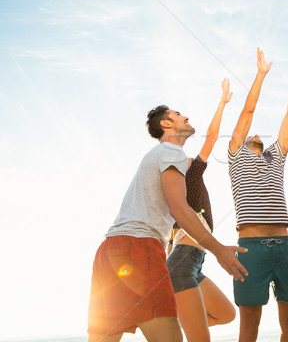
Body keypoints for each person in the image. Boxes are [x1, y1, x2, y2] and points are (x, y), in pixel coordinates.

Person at [87, 105, 247, 342]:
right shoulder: (172, 152)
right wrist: (219, 250)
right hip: (139, 249)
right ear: (167, 124)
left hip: (110, 250)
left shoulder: (157, 156)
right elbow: (179, 209)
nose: (186, 116)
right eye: (178, 114)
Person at [227, 48, 288, 342]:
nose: (255, 133)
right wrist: (261, 74)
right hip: (251, 249)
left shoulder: (276, 157)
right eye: (251, 134)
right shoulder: (236, 156)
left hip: (284, 246)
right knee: (250, 325)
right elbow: (247, 112)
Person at [166, 79, 236, 342]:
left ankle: (176, 320)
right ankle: (176, 322)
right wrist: (222, 102)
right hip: (184, 261)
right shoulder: (189, 175)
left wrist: (223, 102)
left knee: (227, 314)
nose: (191, 158)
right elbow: (212, 137)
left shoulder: (189, 183)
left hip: (193, 263)